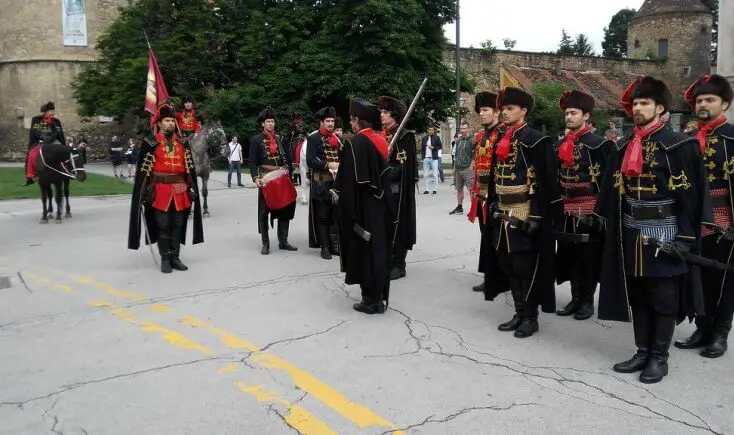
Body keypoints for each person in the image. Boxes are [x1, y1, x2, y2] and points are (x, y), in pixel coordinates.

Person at [595, 76, 707, 384]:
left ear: (660, 108)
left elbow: (692, 196)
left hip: (666, 232)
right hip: (631, 233)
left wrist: (685, 237)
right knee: (639, 296)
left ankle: (659, 357)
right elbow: (612, 191)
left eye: (644, 103)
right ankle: (642, 351)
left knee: (664, 299)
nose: (638, 109)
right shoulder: (624, 147)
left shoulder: (680, 145)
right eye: (635, 104)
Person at [483, 87, 559, 338]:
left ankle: (530, 316)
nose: (504, 113)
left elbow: (546, 182)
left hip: (524, 210)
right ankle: (518, 312)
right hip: (502, 211)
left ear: (523, 111)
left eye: (509, 109)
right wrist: (493, 202)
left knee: (524, 266)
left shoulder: (537, 140)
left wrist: (537, 216)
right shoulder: (502, 137)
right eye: (503, 109)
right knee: (507, 265)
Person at [675, 74, 734, 358]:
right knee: (695, 277)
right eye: (699, 100)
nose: (703, 104)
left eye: (709, 100)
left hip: (725, 223)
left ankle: (720, 333)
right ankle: (701, 327)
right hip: (692, 222)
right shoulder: (686, 141)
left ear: (725, 103)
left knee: (721, 279)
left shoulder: (732, 138)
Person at [553, 90, 615, 320]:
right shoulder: (559, 145)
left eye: (573, 113)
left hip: (590, 208)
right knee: (569, 256)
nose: (568, 117)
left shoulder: (600, 145)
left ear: (586, 116)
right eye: (567, 113)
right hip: (566, 209)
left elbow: (608, 183)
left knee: (589, 258)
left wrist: (601, 213)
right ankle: (575, 298)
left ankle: (587, 301)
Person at [332, 98, 394, 314]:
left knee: (365, 251)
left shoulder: (353, 143)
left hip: (362, 207)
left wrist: (345, 211)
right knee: (379, 250)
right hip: (382, 205)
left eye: (351, 119)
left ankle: (369, 300)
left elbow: (348, 183)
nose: (351, 123)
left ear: (357, 120)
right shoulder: (381, 141)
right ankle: (380, 298)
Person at [128, 101, 204, 273]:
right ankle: (165, 258)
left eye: (172, 120)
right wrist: (141, 193)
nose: (170, 123)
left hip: (180, 189)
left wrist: (192, 188)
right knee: (163, 225)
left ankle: (175, 257)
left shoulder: (183, 143)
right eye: (167, 120)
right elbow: (143, 171)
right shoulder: (150, 143)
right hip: (160, 190)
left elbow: (189, 169)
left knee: (178, 224)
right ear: (159, 123)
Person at [249, 107, 298, 255]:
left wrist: (291, 175)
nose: (271, 123)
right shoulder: (256, 140)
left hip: (282, 179)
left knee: (285, 209)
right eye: (268, 121)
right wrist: (255, 177)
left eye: (272, 121)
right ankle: (265, 243)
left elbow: (288, 159)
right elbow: (252, 162)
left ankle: (283, 241)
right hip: (266, 179)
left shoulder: (280, 139)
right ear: (262, 124)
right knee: (264, 212)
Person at [379, 96, 418, 281]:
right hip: (386, 187)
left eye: (385, 112)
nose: (381, 114)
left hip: (398, 189)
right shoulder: (385, 134)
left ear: (393, 115)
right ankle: (389, 259)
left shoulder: (403, 136)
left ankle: (399, 264)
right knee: (387, 225)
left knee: (399, 225)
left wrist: (382, 172)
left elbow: (403, 167)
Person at [468, 91, 501, 294]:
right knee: (485, 236)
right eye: (480, 110)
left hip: (496, 195)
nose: (481, 114)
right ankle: (489, 274)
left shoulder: (503, 135)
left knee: (496, 237)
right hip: (481, 194)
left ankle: (497, 276)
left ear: (496, 112)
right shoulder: (480, 136)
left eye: (486, 110)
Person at [307, 106, 341, 259]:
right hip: (321, 183)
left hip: (335, 183)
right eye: (327, 121)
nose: (330, 124)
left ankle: (334, 245)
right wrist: (328, 165)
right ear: (321, 122)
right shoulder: (313, 138)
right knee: (323, 216)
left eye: (332, 121)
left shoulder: (337, 138)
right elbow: (310, 161)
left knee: (334, 215)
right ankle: (324, 247)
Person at [23, 102, 66, 186]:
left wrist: (51, 138)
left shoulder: (56, 121)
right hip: (41, 141)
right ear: (45, 112)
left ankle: (66, 171)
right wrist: (43, 137)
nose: (53, 113)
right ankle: (30, 177)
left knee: (63, 151)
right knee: (32, 154)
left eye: (53, 111)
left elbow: (57, 132)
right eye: (51, 111)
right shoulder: (37, 120)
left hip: (53, 140)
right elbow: (34, 131)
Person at [449, 121, 475, 215]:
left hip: (467, 168)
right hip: (458, 168)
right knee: (459, 189)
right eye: (461, 129)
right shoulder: (459, 140)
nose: (463, 130)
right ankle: (459, 207)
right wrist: (454, 167)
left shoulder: (473, 140)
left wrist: (472, 166)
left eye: (464, 128)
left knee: (471, 189)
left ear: (468, 128)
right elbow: (456, 155)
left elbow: (475, 154)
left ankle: (474, 209)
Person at [421, 126, 441, 194]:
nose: (431, 131)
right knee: (425, 175)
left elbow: (440, 146)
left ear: (434, 131)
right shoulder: (424, 138)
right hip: (426, 159)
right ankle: (426, 190)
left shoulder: (436, 137)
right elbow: (422, 149)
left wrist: (434, 148)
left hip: (434, 158)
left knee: (435, 175)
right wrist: (423, 157)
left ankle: (435, 189)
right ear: (427, 130)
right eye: (430, 130)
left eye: (432, 130)